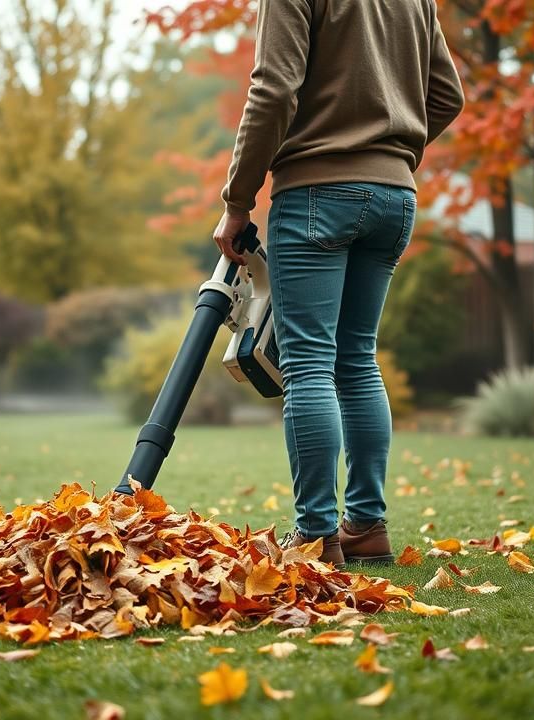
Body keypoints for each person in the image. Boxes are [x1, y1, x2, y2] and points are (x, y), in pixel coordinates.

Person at [212, 0, 464, 565]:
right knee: (356, 359)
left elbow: (273, 90)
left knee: (308, 364)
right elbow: (447, 96)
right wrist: (390, 154)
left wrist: (237, 200)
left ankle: (316, 535)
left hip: (316, 193)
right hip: (395, 200)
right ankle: (367, 528)